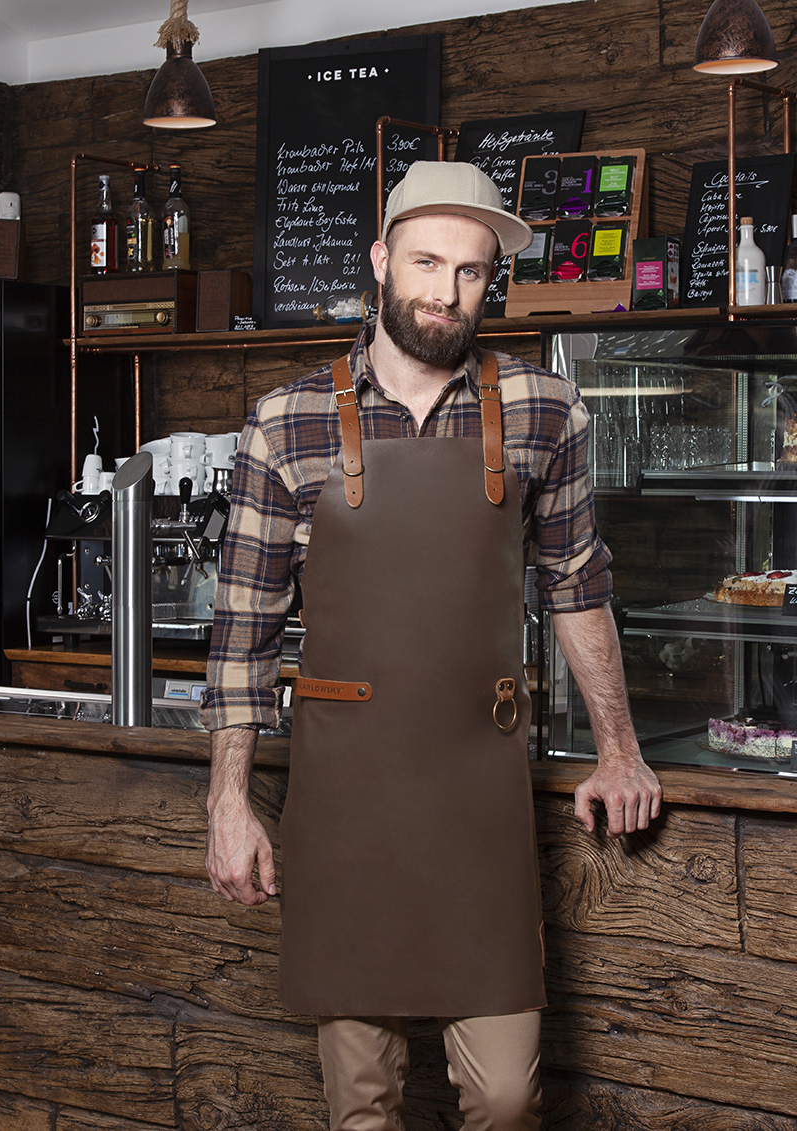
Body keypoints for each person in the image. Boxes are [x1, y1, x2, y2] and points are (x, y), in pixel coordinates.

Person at [200, 161, 662, 1131]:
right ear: (379, 260)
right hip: (341, 795)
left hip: (475, 790)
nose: (445, 293)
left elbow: (576, 589)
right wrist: (228, 801)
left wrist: (619, 748)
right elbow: (241, 631)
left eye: (469, 272)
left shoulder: (544, 409)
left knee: (501, 1096)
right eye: (423, 262)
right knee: (358, 1104)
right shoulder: (285, 423)